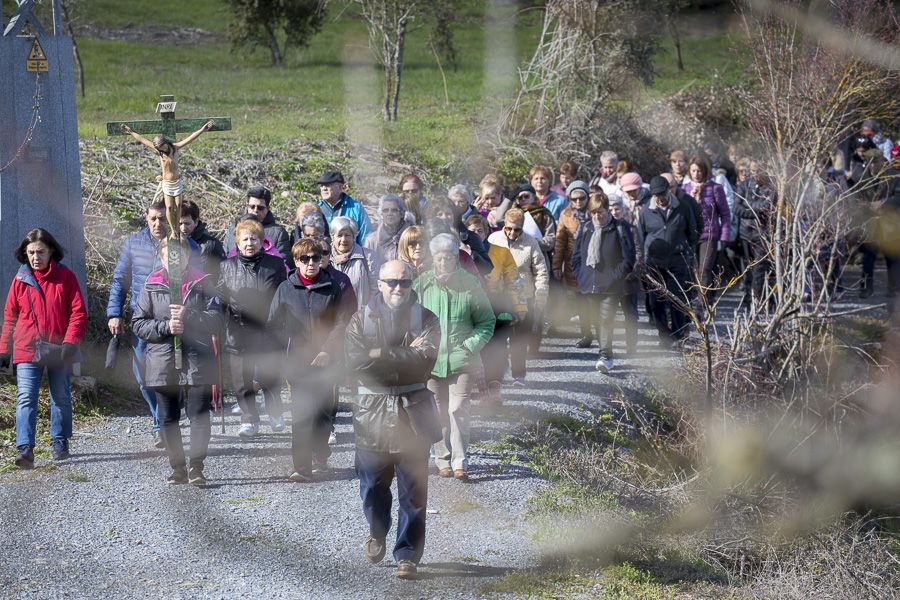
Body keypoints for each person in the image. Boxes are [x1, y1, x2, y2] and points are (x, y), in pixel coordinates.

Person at [345, 259, 442, 580]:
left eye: (405, 282)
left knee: (414, 491)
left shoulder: (428, 320)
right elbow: (357, 364)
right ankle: (377, 531)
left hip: (414, 413)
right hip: (373, 413)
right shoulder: (360, 321)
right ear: (380, 284)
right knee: (372, 485)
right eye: (392, 282)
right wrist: (399, 356)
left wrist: (381, 354)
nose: (398, 288)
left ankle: (407, 555)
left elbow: (424, 362)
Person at [108, 200, 200, 448]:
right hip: (147, 319)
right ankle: (161, 416)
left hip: (181, 319)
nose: (158, 223)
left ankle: (166, 420)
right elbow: (120, 279)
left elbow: (201, 279)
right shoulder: (133, 244)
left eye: (162, 218)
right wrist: (114, 312)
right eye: (153, 219)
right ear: (146, 219)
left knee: (176, 372)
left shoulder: (184, 244)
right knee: (144, 375)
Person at [132, 238, 223, 485]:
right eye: (167, 256)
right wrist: (165, 326)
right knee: (168, 417)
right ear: (161, 258)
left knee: (199, 415)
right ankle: (178, 468)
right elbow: (138, 323)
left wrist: (189, 316)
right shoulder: (151, 285)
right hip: (163, 360)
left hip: (198, 359)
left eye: (178, 255)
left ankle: (196, 468)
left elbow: (217, 319)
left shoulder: (203, 282)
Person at [267, 238, 356, 481]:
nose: (310, 263)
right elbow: (273, 324)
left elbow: (342, 323)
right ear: (295, 261)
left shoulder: (332, 287)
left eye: (315, 258)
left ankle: (320, 454)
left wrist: (328, 350)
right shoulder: (285, 289)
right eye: (304, 259)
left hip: (327, 362)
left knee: (323, 414)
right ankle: (301, 466)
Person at [1, 229, 86, 469]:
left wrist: (70, 342)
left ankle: (60, 440)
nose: (35, 257)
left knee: (60, 396)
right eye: (30, 253)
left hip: (60, 349)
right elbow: (10, 317)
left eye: (40, 252)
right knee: (26, 397)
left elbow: (78, 313)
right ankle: (25, 448)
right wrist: (4, 350)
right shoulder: (20, 280)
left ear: (51, 252)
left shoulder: (66, 277)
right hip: (27, 348)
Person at [413, 234, 495, 481]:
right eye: (439, 257)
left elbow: (486, 321)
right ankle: (442, 459)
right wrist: (417, 344)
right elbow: (409, 320)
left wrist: (470, 346)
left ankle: (461, 461)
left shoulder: (470, 283)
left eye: (448, 257)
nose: (443, 262)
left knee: (457, 409)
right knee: (436, 411)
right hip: (431, 361)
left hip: (462, 359)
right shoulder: (422, 285)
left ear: (455, 258)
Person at [217, 219, 288, 438]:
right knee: (242, 380)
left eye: (254, 238)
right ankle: (249, 419)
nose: (250, 243)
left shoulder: (275, 265)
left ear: (261, 241)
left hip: (267, 330)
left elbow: (282, 295)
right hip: (237, 331)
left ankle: (275, 414)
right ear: (237, 243)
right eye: (245, 239)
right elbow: (220, 297)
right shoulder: (226, 267)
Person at [571, 194, 636, 374]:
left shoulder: (619, 228)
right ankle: (605, 353)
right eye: (593, 212)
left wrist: (613, 278)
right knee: (597, 321)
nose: (597, 216)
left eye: (600, 212)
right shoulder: (585, 228)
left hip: (610, 286)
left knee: (606, 320)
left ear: (607, 210)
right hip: (588, 285)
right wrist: (580, 275)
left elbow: (629, 258)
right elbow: (576, 256)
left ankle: (606, 357)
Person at [120, 120, 215, 239]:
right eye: (158, 147)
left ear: (165, 143)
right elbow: (143, 140)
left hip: (176, 182)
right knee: (169, 207)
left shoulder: (175, 148)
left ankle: (177, 228)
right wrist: (131, 132)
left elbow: (190, 138)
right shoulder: (160, 152)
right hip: (167, 183)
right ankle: (174, 230)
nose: (160, 149)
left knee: (179, 205)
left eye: (161, 146)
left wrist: (202, 129)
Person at [468, 214, 526, 403]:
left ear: (486, 233)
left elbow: (514, 280)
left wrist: (519, 305)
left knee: (496, 349)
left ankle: (494, 389)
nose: (476, 234)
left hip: (496, 307)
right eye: (471, 231)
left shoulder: (501, 252)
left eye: (480, 231)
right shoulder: (460, 253)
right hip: (468, 307)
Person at [487, 209, 549, 386]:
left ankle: (519, 375)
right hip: (499, 297)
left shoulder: (531, 243)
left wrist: (541, 295)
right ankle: (496, 376)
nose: (512, 233)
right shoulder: (493, 240)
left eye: (517, 230)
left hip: (523, 297)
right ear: (503, 226)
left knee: (519, 339)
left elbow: (541, 272)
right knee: (497, 338)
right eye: (508, 228)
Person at [637, 176, 699, 346]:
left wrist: (687, 251)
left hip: (677, 261)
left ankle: (678, 336)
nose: (661, 198)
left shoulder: (683, 207)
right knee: (656, 301)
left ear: (669, 190)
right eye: (656, 195)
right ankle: (664, 336)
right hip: (654, 263)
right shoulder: (645, 211)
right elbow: (640, 236)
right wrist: (642, 259)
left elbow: (693, 233)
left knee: (676, 300)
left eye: (663, 193)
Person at [682, 156, 731, 300]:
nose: (696, 174)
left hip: (709, 234)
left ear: (705, 171)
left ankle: (702, 304)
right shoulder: (684, 188)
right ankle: (692, 301)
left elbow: (725, 213)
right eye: (693, 171)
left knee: (704, 269)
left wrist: (724, 236)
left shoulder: (715, 188)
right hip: (689, 234)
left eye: (699, 171)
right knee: (692, 270)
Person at [553, 180, 593, 347]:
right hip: (575, 263)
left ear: (587, 197)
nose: (578, 202)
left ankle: (606, 338)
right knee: (582, 300)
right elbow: (560, 241)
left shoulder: (595, 211)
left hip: (595, 263)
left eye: (582, 198)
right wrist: (556, 265)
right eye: (574, 199)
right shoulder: (565, 215)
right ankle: (586, 334)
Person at [734, 161, 778, 308]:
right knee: (748, 268)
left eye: (758, 170)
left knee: (760, 268)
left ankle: (757, 300)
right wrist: (753, 210)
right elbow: (736, 207)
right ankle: (749, 298)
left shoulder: (771, 187)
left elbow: (767, 207)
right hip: (746, 233)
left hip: (762, 233)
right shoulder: (744, 185)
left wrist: (748, 206)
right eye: (752, 170)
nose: (755, 173)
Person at [224, 186, 292, 261]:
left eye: (260, 208)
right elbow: (224, 256)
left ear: (268, 208)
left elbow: (283, 264)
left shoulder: (278, 233)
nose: (255, 210)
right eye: (252, 207)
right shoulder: (233, 228)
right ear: (247, 206)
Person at [331, 216, 378, 308]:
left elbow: (376, 290)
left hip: (360, 316)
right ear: (332, 237)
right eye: (339, 235)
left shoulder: (368, 257)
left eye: (347, 235)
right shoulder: (324, 257)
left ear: (354, 236)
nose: (343, 239)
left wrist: (367, 313)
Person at [316, 170, 372, 245]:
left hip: (352, 255)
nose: (324, 188)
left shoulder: (356, 208)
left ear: (340, 187)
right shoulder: (316, 209)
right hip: (323, 255)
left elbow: (367, 237)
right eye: (321, 185)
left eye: (328, 185)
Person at [179, 199, 225, 281]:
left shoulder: (211, 245)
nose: (183, 228)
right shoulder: (170, 243)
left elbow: (224, 274)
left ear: (196, 222)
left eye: (187, 223)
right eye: (180, 224)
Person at [364, 194, 408, 264]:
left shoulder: (410, 237)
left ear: (402, 213)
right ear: (381, 214)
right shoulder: (371, 241)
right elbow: (367, 266)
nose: (389, 213)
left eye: (394, 210)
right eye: (385, 210)